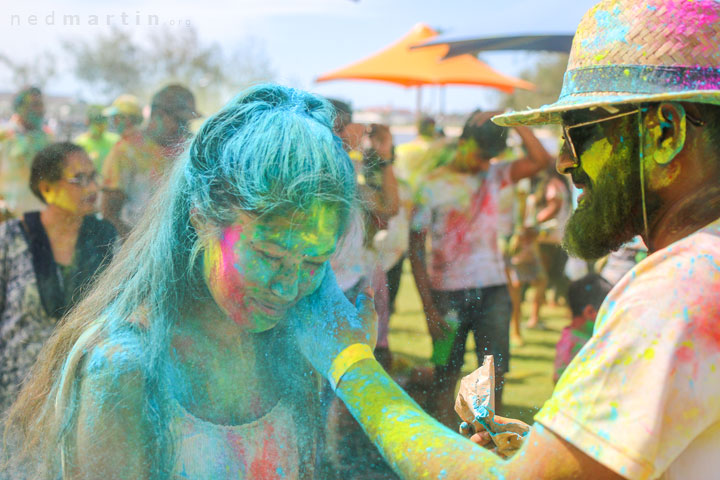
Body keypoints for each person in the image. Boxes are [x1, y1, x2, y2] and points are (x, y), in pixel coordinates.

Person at [291, 0, 720, 478]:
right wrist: (539, 449)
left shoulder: (685, 286)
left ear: (666, 132)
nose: (564, 163)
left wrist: (352, 363)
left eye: (577, 134)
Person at [2, 85, 357, 479]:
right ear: (203, 217)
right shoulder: (126, 369)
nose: (289, 288)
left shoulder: (295, 346)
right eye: (269, 256)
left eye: (315, 261)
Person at [408, 110, 552, 424]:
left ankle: (488, 435)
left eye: (491, 157)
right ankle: (443, 443)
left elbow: (542, 161)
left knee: (495, 370)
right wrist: (429, 309)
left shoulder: (494, 174)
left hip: (493, 289)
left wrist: (515, 121)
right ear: (463, 142)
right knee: (446, 371)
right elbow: (415, 250)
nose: (484, 163)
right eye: (481, 155)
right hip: (447, 292)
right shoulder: (431, 185)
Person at [0, 142, 116, 412]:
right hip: (16, 399)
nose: (93, 189)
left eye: (93, 177)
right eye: (79, 180)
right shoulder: (10, 239)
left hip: (84, 397)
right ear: (46, 188)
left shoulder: (104, 238)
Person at [102, 85, 199, 238]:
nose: (184, 129)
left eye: (187, 124)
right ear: (157, 115)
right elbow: (109, 212)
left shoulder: (187, 151)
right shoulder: (126, 151)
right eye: (180, 122)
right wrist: (135, 247)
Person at [0, 86, 53, 217]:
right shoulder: (4, 135)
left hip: (41, 216)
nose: (41, 110)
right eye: (35, 105)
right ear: (19, 108)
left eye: (41, 104)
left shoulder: (47, 137)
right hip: (8, 217)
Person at [553, 274, 611, 383]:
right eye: (609, 310)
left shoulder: (582, 337)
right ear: (590, 312)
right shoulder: (574, 345)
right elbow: (558, 379)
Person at [73, 105, 120, 172]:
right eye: (98, 123)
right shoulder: (80, 143)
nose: (101, 126)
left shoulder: (115, 140)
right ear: (88, 122)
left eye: (104, 122)